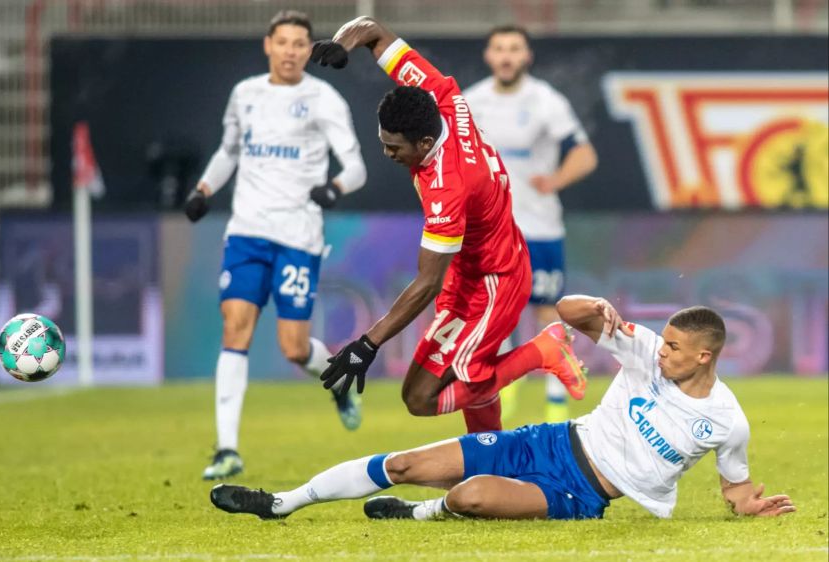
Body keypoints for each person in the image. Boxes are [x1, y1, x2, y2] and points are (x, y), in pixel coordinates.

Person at [210, 294, 796, 522]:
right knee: (408, 463)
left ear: (704, 356)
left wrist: (752, 507)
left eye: (674, 347)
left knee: (468, 497)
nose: (661, 350)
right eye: (661, 341)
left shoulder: (726, 420)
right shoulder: (644, 352)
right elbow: (567, 314)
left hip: (583, 494)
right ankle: (283, 502)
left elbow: (735, 490)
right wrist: (590, 306)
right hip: (548, 441)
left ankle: (417, 515)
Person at [307, 17, 588, 435]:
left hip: (495, 280)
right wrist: (343, 43)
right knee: (447, 386)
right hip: (469, 271)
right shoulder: (442, 95)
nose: (386, 153)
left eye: (393, 147)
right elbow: (373, 29)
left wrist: (367, 344)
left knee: (423, 399)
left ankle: (543, 350)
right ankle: (488, 463)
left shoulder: (449, 186)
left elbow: (426, 283)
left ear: (423, 144)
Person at [185, 10, 368, 480]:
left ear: (310, 49)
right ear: (268, 45)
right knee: (236, 328)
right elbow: (229, 152)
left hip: (297, 237)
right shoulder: (245, 95)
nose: (290, 51)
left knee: (292, 347)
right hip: (247, 232)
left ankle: (340, 383)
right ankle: (226, 449)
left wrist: (335, 189)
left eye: (299, 43)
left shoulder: (323, 99)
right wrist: (204, 190)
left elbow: (356, 167)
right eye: (282, 42)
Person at [463, 26, 598, 424]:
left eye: (514, 49)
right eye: (500, 48)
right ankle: (501, 392)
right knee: (494, 315)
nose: (506, 56)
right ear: (489, 55)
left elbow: (585, 154)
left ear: (526, 56)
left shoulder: (545, 101)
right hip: (491, 229)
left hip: (538, 228)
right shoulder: (471, 101)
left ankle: (556, 405)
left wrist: (555, 180)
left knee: (547, 315)